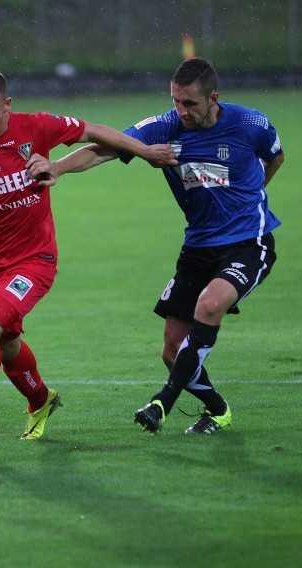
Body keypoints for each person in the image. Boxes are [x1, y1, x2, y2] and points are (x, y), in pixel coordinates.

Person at [0, 69, 175, 440]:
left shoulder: (37, 127)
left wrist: (145, 151)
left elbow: (95, 131)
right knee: (4, 343)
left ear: (8, 105)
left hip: (35, 261)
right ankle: (40, 400)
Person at [27, 58, 284, 435]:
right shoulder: (164, 127)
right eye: (176, 101)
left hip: (249, 242)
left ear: (214, 98)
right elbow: (105, 147)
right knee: (171, 351)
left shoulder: (250, 124)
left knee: (210, 305)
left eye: (190, 104)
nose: (182, 111)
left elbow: (275, 155)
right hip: (198, 247)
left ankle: (163, 402)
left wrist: (253, 194)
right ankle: (217, 410)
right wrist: (59, 167)